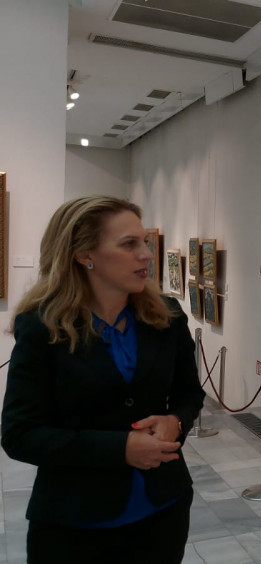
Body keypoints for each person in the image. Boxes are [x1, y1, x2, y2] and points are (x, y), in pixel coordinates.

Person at [1, 196, 206, 563]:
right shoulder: (42, 327)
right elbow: (20, 434)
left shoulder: (167, 316)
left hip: (163, 510)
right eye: (129, 244)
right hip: (75, 523)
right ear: (84, 255)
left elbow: (190, 393)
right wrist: (119, 448)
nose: (146, 254)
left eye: (145, 242)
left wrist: (176, 420)